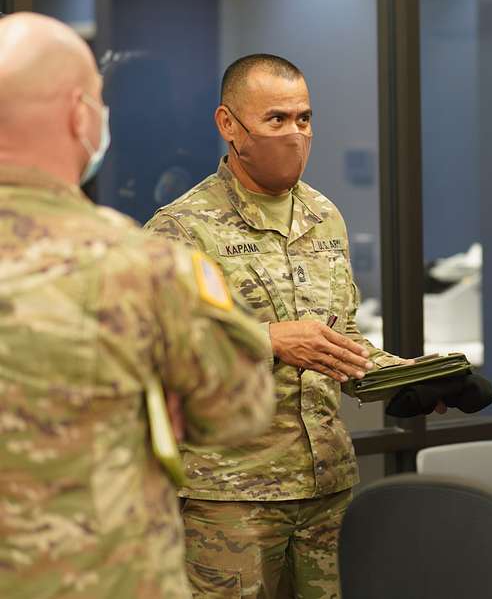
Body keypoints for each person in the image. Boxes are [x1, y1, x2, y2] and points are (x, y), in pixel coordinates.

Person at [0, 13, 275, 598]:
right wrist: (155, 391)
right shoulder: (142, 267)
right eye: (98, 100)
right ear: (80, 115)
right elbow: (241, 408)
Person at [145, 54, 412, 598]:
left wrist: (409, 378)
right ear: (229, 125)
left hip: (325, 488)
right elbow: (155, 358)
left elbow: (342, 338)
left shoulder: (323, 216)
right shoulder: (180, 230)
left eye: (304, 118)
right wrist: (266, 341)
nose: (295, 134)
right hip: (230, 499)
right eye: (276, 120)